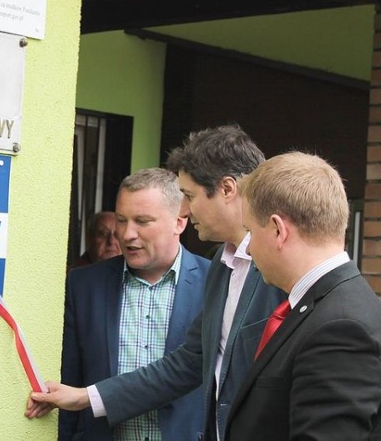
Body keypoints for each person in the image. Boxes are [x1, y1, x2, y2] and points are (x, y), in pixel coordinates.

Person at [25, 125, 286, 441]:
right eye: (122, 221)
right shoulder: (225, 263)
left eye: (189, 196)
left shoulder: (276, 265)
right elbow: (187, 364)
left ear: (228, 189)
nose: (186, 209)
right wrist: (85, 397)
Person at [224, 152, 381, 440]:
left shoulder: (340, 328)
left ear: (277, 230)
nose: (247, 249)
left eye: (250, 232)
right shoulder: (326, 306)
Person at [61, 168, 209, 440]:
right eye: (121, 220)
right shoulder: (83, 286)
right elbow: (69, 380)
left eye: (142, 221)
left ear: (179, 221)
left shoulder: (214, 284)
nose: (127, 234)